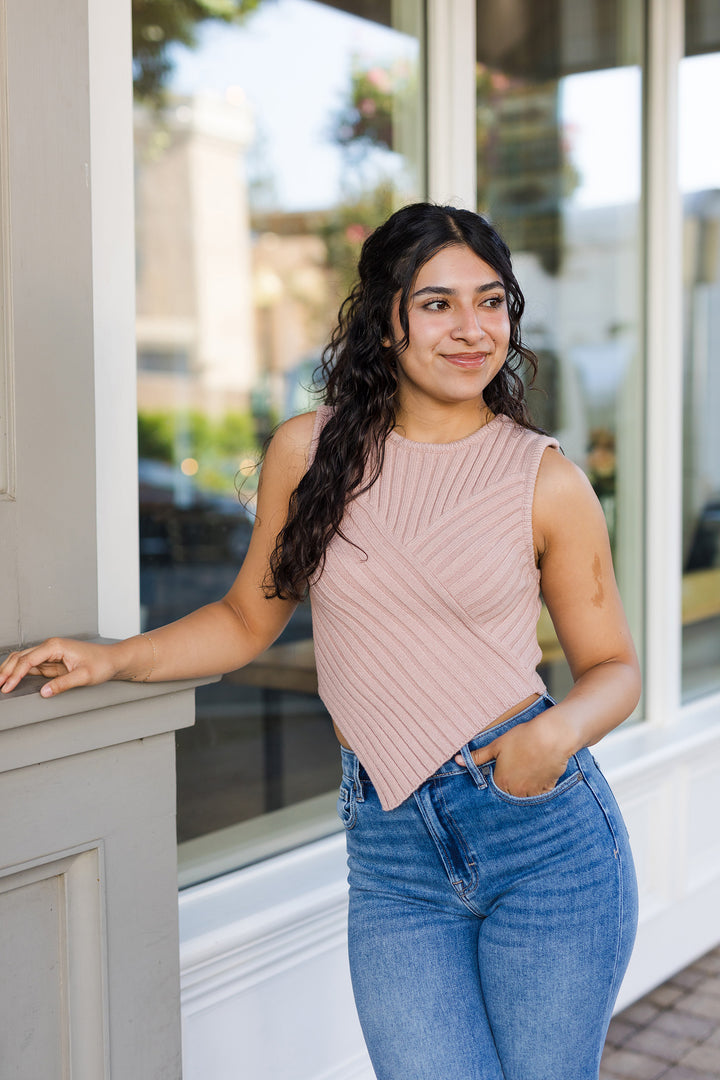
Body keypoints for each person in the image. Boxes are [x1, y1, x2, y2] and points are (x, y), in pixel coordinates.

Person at [0, 203, 639, 1080]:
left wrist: (552, 737)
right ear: (387, 319)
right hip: (392, 851)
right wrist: (113, 657)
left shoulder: (546, 479)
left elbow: (614, 669)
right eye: (438, 304)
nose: (472, 330)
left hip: (543, 840)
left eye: (491, 303)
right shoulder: (311, 453)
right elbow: (243, 621)